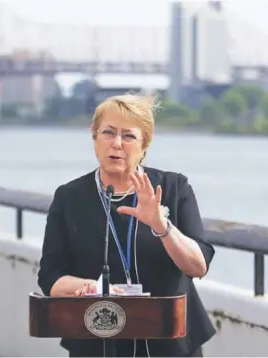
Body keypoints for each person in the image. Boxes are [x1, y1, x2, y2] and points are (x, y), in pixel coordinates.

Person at [37, 94, 216, 357]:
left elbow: (198, 266)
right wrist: (88, 287)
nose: (117, 143)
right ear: (94, 138)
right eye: (108, 132)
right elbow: (50, 277)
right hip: (98, 338)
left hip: (169, 343)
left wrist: (161, 225)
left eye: (129, 136)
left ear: (145, 145)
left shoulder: (173, 188)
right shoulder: (70, 197)